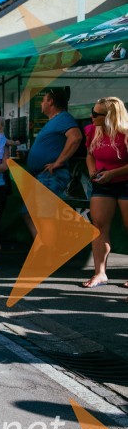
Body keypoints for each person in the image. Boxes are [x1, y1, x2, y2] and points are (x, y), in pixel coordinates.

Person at [23, 88, 83, 242]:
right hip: (43, 175)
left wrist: (59, 161)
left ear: (50, 102)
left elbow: (75, 137)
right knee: (30, 213)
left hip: (51, 175)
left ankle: (47, 255)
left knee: (43, 216)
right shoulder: (54, 121)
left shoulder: (63, 118)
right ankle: (43, 250)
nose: (41, 104)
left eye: (43, 100)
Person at [81, 97, 128, 289]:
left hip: (125, 182)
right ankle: (100, 273)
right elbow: (90, 154)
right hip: (103, 182)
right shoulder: (92, 130)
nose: (91, 116)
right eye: (92, 112)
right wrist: (93, 171)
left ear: (111, 116)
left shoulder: (125, 133)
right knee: (98, 226)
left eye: (96, 114)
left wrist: (113, 174)